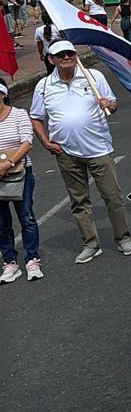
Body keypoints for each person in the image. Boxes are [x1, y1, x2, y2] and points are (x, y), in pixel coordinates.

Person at [30, 41, 131, 263]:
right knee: (79, 200)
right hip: (66, 151)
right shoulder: (44, 85)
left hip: (98, 148)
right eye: (60, 55)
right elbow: (36, 117)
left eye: (70, 53)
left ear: (76, 55)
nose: (66, 57)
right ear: (51, 59)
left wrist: (109, 104)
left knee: (112, 196)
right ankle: (90, 243)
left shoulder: (94, 76)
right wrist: (46, 142)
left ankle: (123, 238)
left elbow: (113, 105)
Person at [0, 82, 39, 283]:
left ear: (3, 95)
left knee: (26, 216)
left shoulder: (18, 114)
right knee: (1, 222)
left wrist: (9, 163)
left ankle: (32, 258)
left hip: (19, 171)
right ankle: (10, 262)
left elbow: (27, 141)